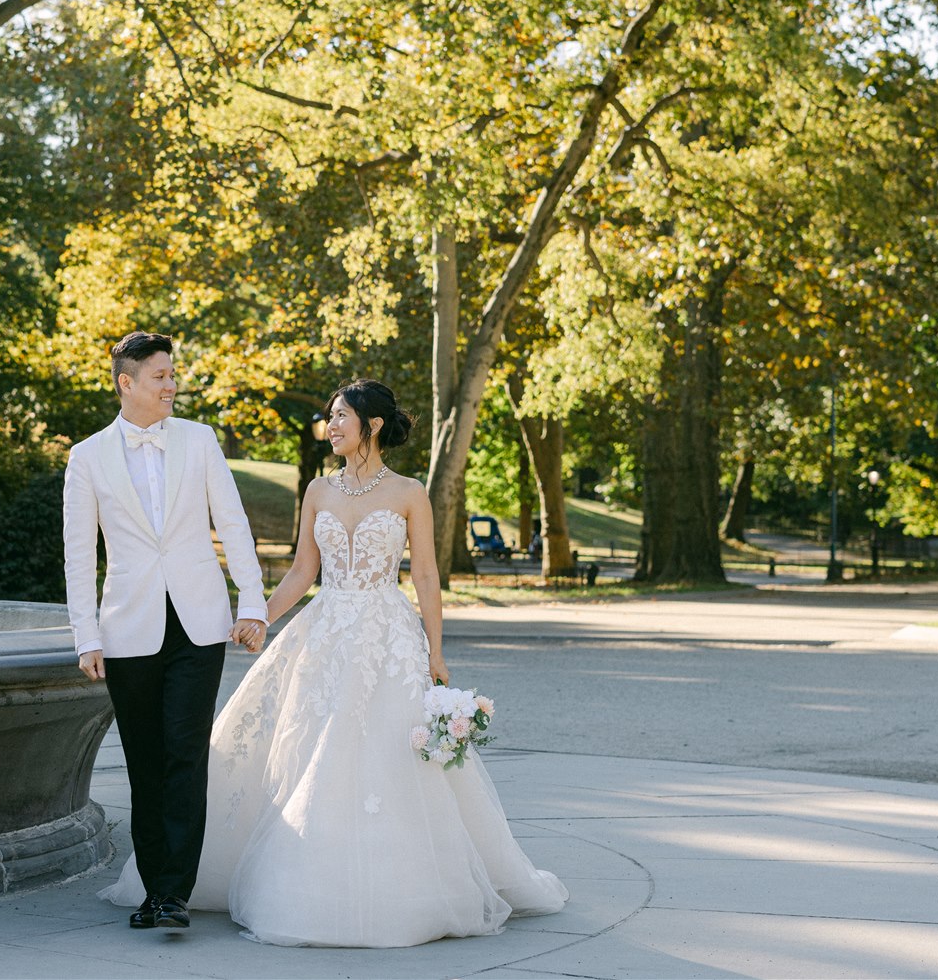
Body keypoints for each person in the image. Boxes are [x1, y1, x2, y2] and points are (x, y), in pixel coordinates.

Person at [100, 378, 567, 947]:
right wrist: (256, 616)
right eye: (330, 416)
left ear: (371, 425)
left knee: (384, 752)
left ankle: (402, 887)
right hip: (322, 634)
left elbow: (424, 575)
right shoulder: (319, 491)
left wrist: (436, 652)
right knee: (307, 749)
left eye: (342, 415)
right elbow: (302, 572)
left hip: (386, 636)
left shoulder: (408, 493)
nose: (332, 425)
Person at [63, 331, 269, 931]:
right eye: (160, 376)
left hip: (199, 624)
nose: (172, 384)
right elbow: (79, 555)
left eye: (173, 375)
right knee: (144, 761)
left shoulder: (200, 441)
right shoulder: (88, 457)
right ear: (126, 383)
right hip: (128, 629)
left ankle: (173, 893)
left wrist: (251, 602)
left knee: (185, 755)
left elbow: (232, 523)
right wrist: (86, 635)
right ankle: (155, 888)